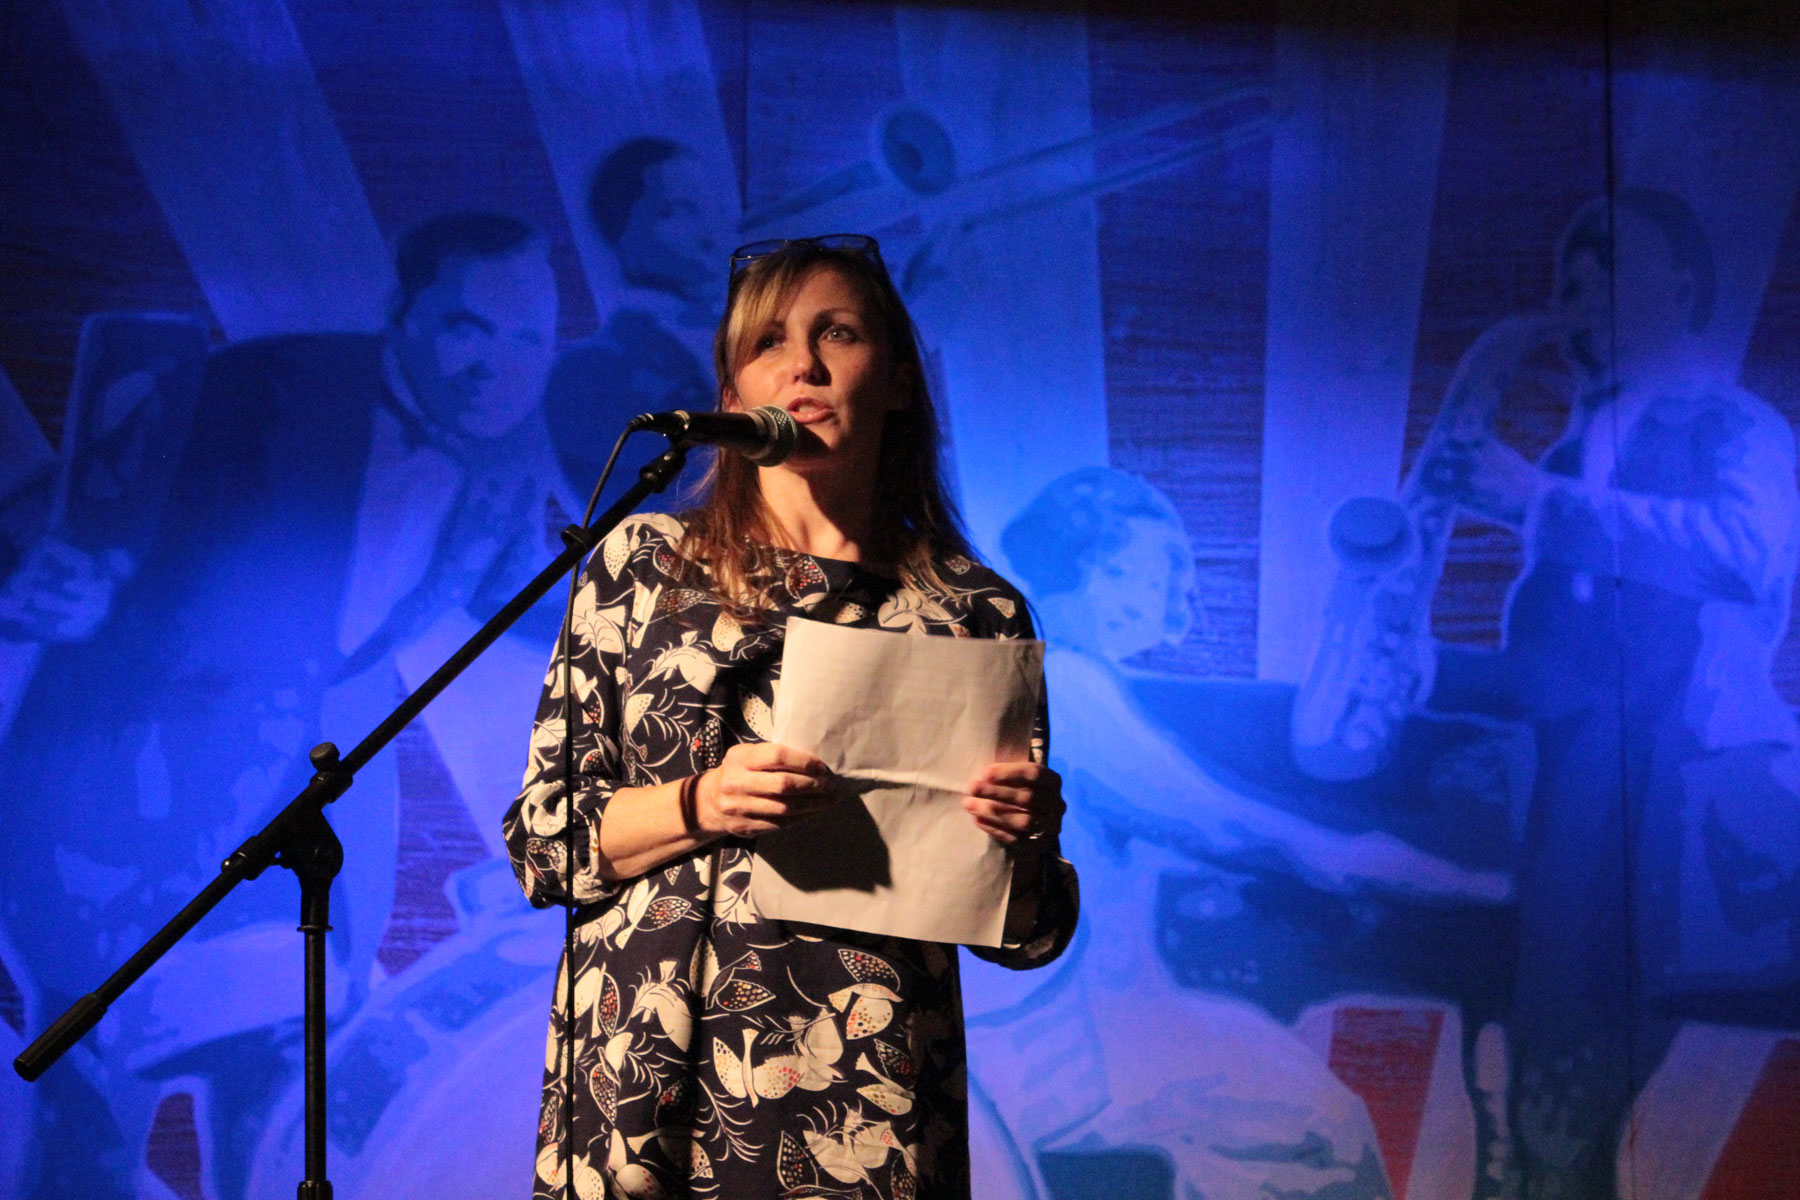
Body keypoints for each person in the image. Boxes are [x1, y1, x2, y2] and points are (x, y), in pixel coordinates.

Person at [0, 210, 573, 1200]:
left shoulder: (510, 443)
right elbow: (66, 514)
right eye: (468, 327)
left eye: (530, 337)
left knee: (275, 1079)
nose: (500, 366)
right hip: (116, 780)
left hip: (269, 802)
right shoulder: (258, 388)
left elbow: (508, 588)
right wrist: (37, 573)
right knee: (97, 1101)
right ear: (404, 312)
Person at [502, 234, 1078, 1200]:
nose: (802, 365)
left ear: (897, 380)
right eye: (767, 343)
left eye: (837, 334)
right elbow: (541, 843)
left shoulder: (973, 611)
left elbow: (1026, 934)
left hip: (865, 1107)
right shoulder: (644, 565)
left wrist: (1025, 837)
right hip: (644, 1090)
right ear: (732, 398)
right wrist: (703, 803)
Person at [1422, 188, 1800, 1200]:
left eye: (1607, 269)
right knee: (1537, 1010)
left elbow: (1750, 555)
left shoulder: (1727, 419)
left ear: (1682, 287)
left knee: (1585, 1020)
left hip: (1671, 763)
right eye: (1570, 272)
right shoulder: (1576, 445)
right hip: (1572, 765)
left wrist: (1538, 502)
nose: (1576, 291)